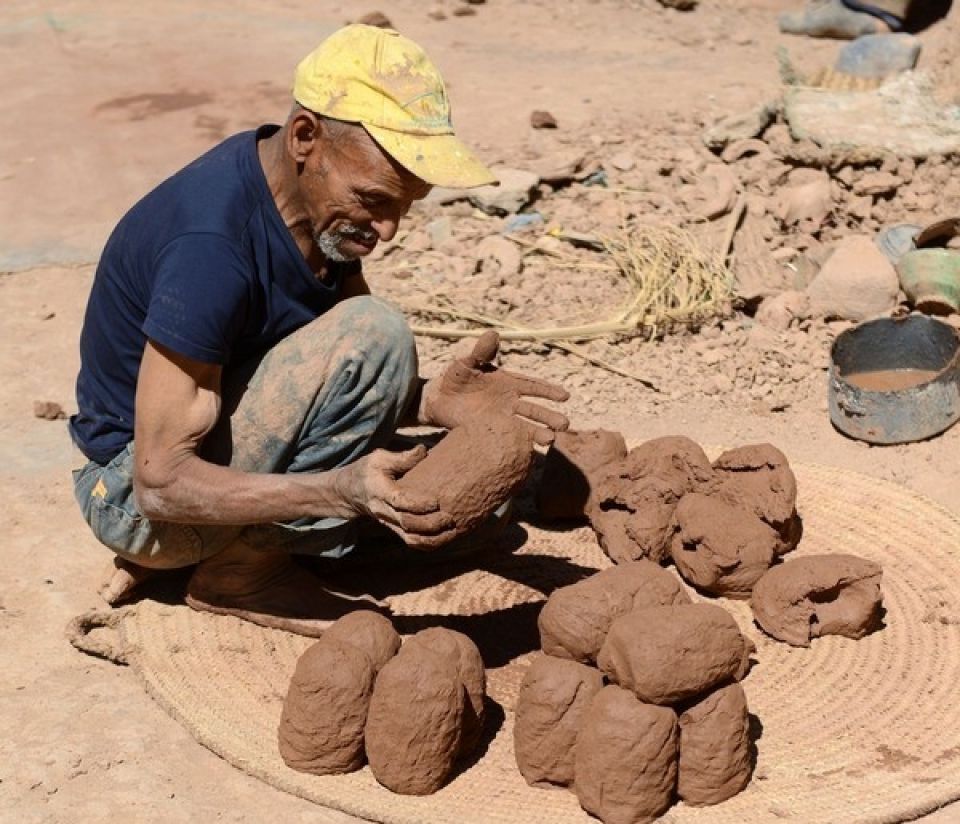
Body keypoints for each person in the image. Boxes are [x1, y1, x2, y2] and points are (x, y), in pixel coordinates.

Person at [70, 24, 569, 637]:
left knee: (479, 508)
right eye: (376, 200)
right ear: (306, 136)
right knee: (377, 332)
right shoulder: (209, 250)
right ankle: (238, 572)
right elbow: (161, 484)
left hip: (199, 454)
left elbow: (327, 373)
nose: (387, 231)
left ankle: (248, 546)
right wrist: (338, 492)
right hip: (134, 497)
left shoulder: (313, 207)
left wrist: (432, 398)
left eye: (404, 209)